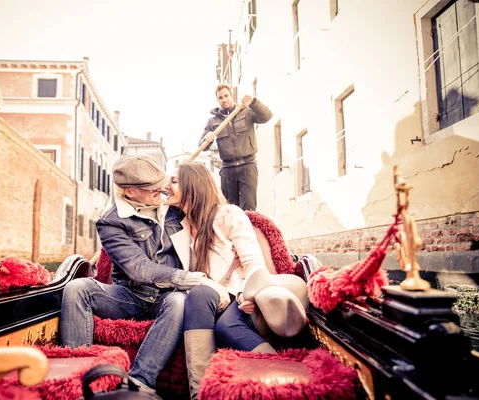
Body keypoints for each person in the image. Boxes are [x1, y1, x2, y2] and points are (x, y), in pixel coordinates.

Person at [60, 154, 206, 390]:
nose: (162, 189)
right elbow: (137, 267)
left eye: (161, 183)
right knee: (76, 288)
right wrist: (183, 278)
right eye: (153, 188)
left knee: (179, 301)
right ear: (130, 192)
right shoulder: (110, 222)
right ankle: (81, 380)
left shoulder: (173, 207)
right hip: (130, 297)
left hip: (168, 298)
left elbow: (205, 205)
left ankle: (139, 383)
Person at [164, 162, 308, 399]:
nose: (166, 186)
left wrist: (246, 294)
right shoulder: (178, 226)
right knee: (199, 294)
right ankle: (199, 393)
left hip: (240, 295)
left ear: (193, 185)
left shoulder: (228, 215)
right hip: (209, 298)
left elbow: (253, 263)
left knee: (226, 325)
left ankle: (283, 371)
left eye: (174, 181)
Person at [198, 83, 273, 211]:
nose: (224, 100)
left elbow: (267, 116)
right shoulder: (213, 122)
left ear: (232, 96)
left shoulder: (246, 112)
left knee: (249, 209)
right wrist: (207, 139)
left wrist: (253, 102)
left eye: (226, 96)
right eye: (220, 98)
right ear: (217, 100)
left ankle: (249, 231)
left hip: (248, 166)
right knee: (230, 210)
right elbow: (202, 146)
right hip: (228, 171)